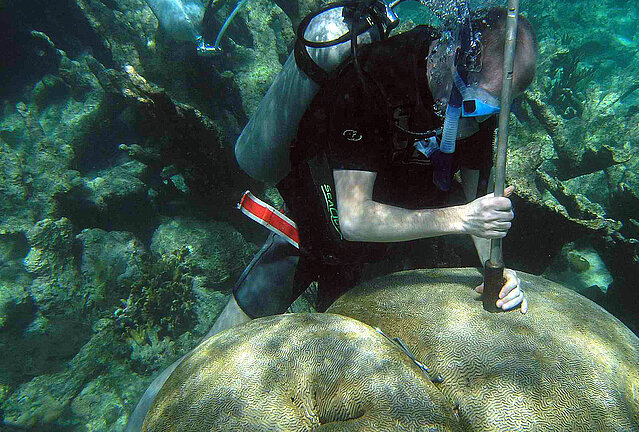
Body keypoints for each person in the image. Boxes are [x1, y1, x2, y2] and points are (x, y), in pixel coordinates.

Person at [126, 7, 538, 430]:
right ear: (453, 59)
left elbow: (479, 197)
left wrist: (497, 268)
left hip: (380, 262)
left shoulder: (480, 116)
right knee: (202, 366)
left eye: (492, 110)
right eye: (476, 103)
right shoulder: (377, 76)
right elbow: (355, 218)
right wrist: (462, 219)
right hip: (308, 234)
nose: (477, 119)